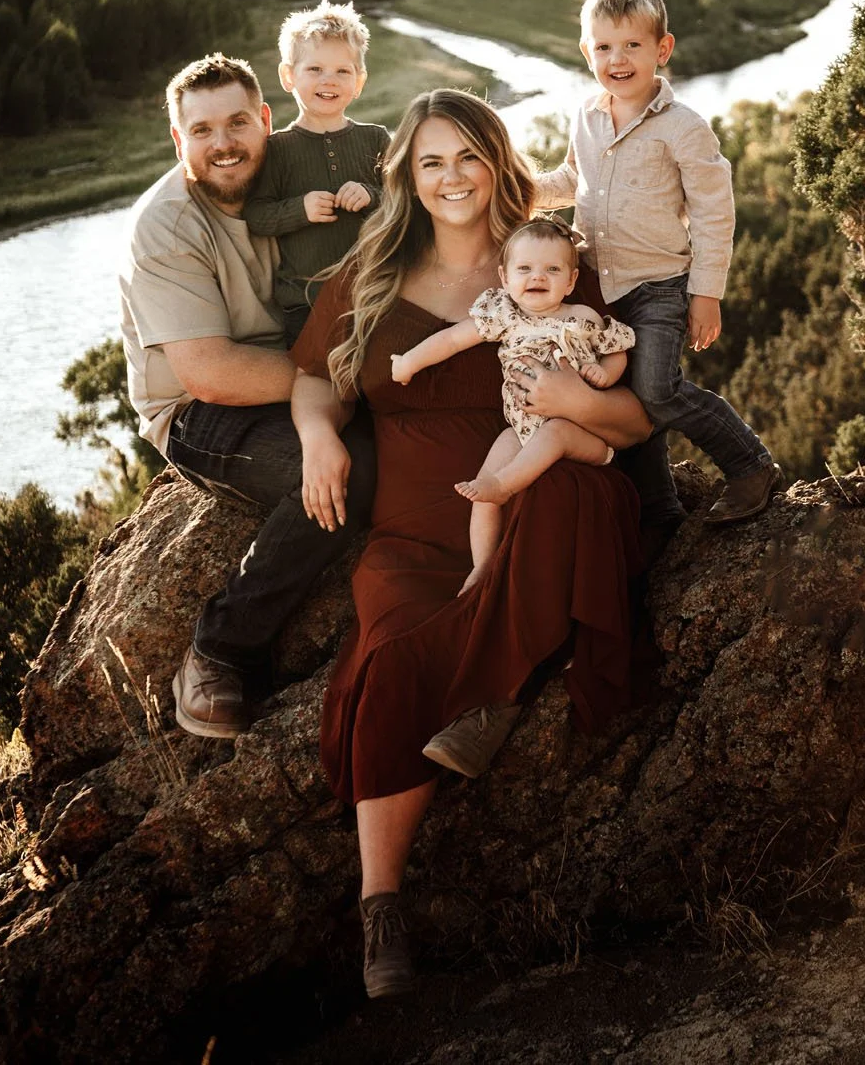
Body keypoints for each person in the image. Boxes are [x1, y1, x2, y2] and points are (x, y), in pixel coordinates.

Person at [289, 89, 651, 999]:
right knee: (394, 645)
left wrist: (575, 405)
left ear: (498, 162)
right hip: (414, 527)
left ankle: (489, 696)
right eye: (430, 162)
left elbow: (638, 416)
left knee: (571, 489)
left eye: (468, 157)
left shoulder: (551, 261)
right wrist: (320, 435)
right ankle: (381, 907)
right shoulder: (370, 270)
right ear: (408, 178)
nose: (451, 179)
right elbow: (312, 377)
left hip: (538, 492)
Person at [118, 53, 376, 739]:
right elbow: (209, 371)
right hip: (202, 410)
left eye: (237, 121)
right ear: (180, 142)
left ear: (266, 119)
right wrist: (341, 388)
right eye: (201, 131)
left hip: (309, 373)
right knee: (338, 476)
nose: (223, 142)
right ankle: (218, 651)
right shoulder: (165, 225)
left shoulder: (302, 184)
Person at [536, 0, 781, 540]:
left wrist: (706, 293)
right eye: (603, 47)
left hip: (658, 289)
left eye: (632, 46)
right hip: (596, 287)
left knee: (657, 390)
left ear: (662, 50)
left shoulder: (684, 129)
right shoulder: (586, 116)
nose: (616, 60)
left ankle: (751, 466)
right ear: (586, 51)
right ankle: (657, 510)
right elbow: (574, 180)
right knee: (617, 398)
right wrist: (518, 187)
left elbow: (715, 213)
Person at [389, 216, 636, 594]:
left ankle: (505, 486)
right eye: (525, 269)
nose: (538, 277)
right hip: (521, 428)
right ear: (505, 278)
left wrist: (606, 374)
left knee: (552, 435)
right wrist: (409, 362)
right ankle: (482, 566)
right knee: (485, 482)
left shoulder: (582, 318)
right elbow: (454, 340)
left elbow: (616, 350)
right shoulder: (504, 315)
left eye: (552, 269)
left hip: (580, 434)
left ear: (570, 281)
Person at [242, 0, 391, 342]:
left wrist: (372, 195)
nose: (330, 80)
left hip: (376, 295)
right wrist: (300, 209)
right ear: (288, 76)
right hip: (306, 304)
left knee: (380, 385)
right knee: (320, 386)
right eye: (315, 69)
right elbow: (256, 214)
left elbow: (404, 201)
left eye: (343, 71)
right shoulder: (276, 149)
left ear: (359, 82)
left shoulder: (376, 139)